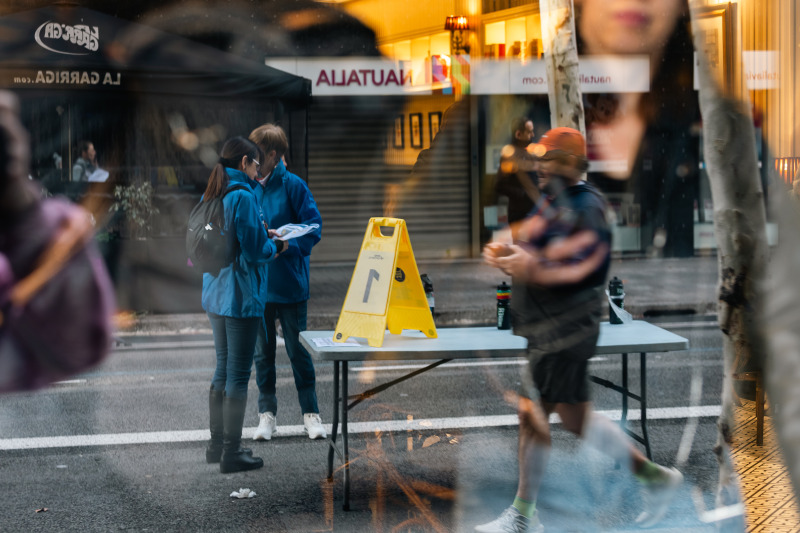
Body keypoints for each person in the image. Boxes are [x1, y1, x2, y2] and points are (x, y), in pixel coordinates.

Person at [478, 128, 683, 533]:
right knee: (575, 419)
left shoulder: (586, 206)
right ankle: (656, 480)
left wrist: (529, 266)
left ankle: (523, 515)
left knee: (536, 417)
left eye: (548, 158)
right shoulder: (557, 200)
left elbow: (586, 270)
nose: (539, 165)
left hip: (564, 331)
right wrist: (511, 250)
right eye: (538, 157)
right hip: (549, 329)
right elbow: (540, 246)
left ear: (570, 163)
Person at [201, 136, 286, 474]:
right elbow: (253, 251)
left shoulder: (215, 190)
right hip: (240, 296)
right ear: (245, 163)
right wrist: (275, 247)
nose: (257, 169)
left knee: (223, 368)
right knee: (238, 374)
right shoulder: (244, 197)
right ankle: (233, 453)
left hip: (214, 294)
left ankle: (216, 445)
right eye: (255, 163)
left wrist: (261, 236)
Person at [248, 124, 326, 441]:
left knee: (299, 353)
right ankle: (267, 416)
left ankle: (311, 414)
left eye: (257, 154)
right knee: (262, 355)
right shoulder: (247, 186)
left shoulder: (294, 185)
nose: (252, 160)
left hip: (291, 284)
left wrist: (286, 243)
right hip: (260, 286)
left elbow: (314, 227)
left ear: (273, 155)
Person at [495, 117, 540, 225]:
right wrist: (523, 195)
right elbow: (499, 185)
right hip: (519, 216)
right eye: (529, 132)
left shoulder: (530, 152)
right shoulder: (509, 156)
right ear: (518, 134)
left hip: (534, 213)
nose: (533, 135)